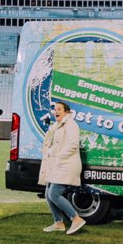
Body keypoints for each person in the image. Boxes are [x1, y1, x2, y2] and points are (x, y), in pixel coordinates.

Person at [39, 100, 86, 234]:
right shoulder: (57, 125)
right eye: (55, 109)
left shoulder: (71, 124)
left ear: (67, 112)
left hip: (66, 164)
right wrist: (49, 151)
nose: (56, 111)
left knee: (54, 194)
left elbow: (72, 145)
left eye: (59, 109)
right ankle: (58, 222)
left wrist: (58, 156)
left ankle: (76, 218)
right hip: (57, 164)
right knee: (48, 194)